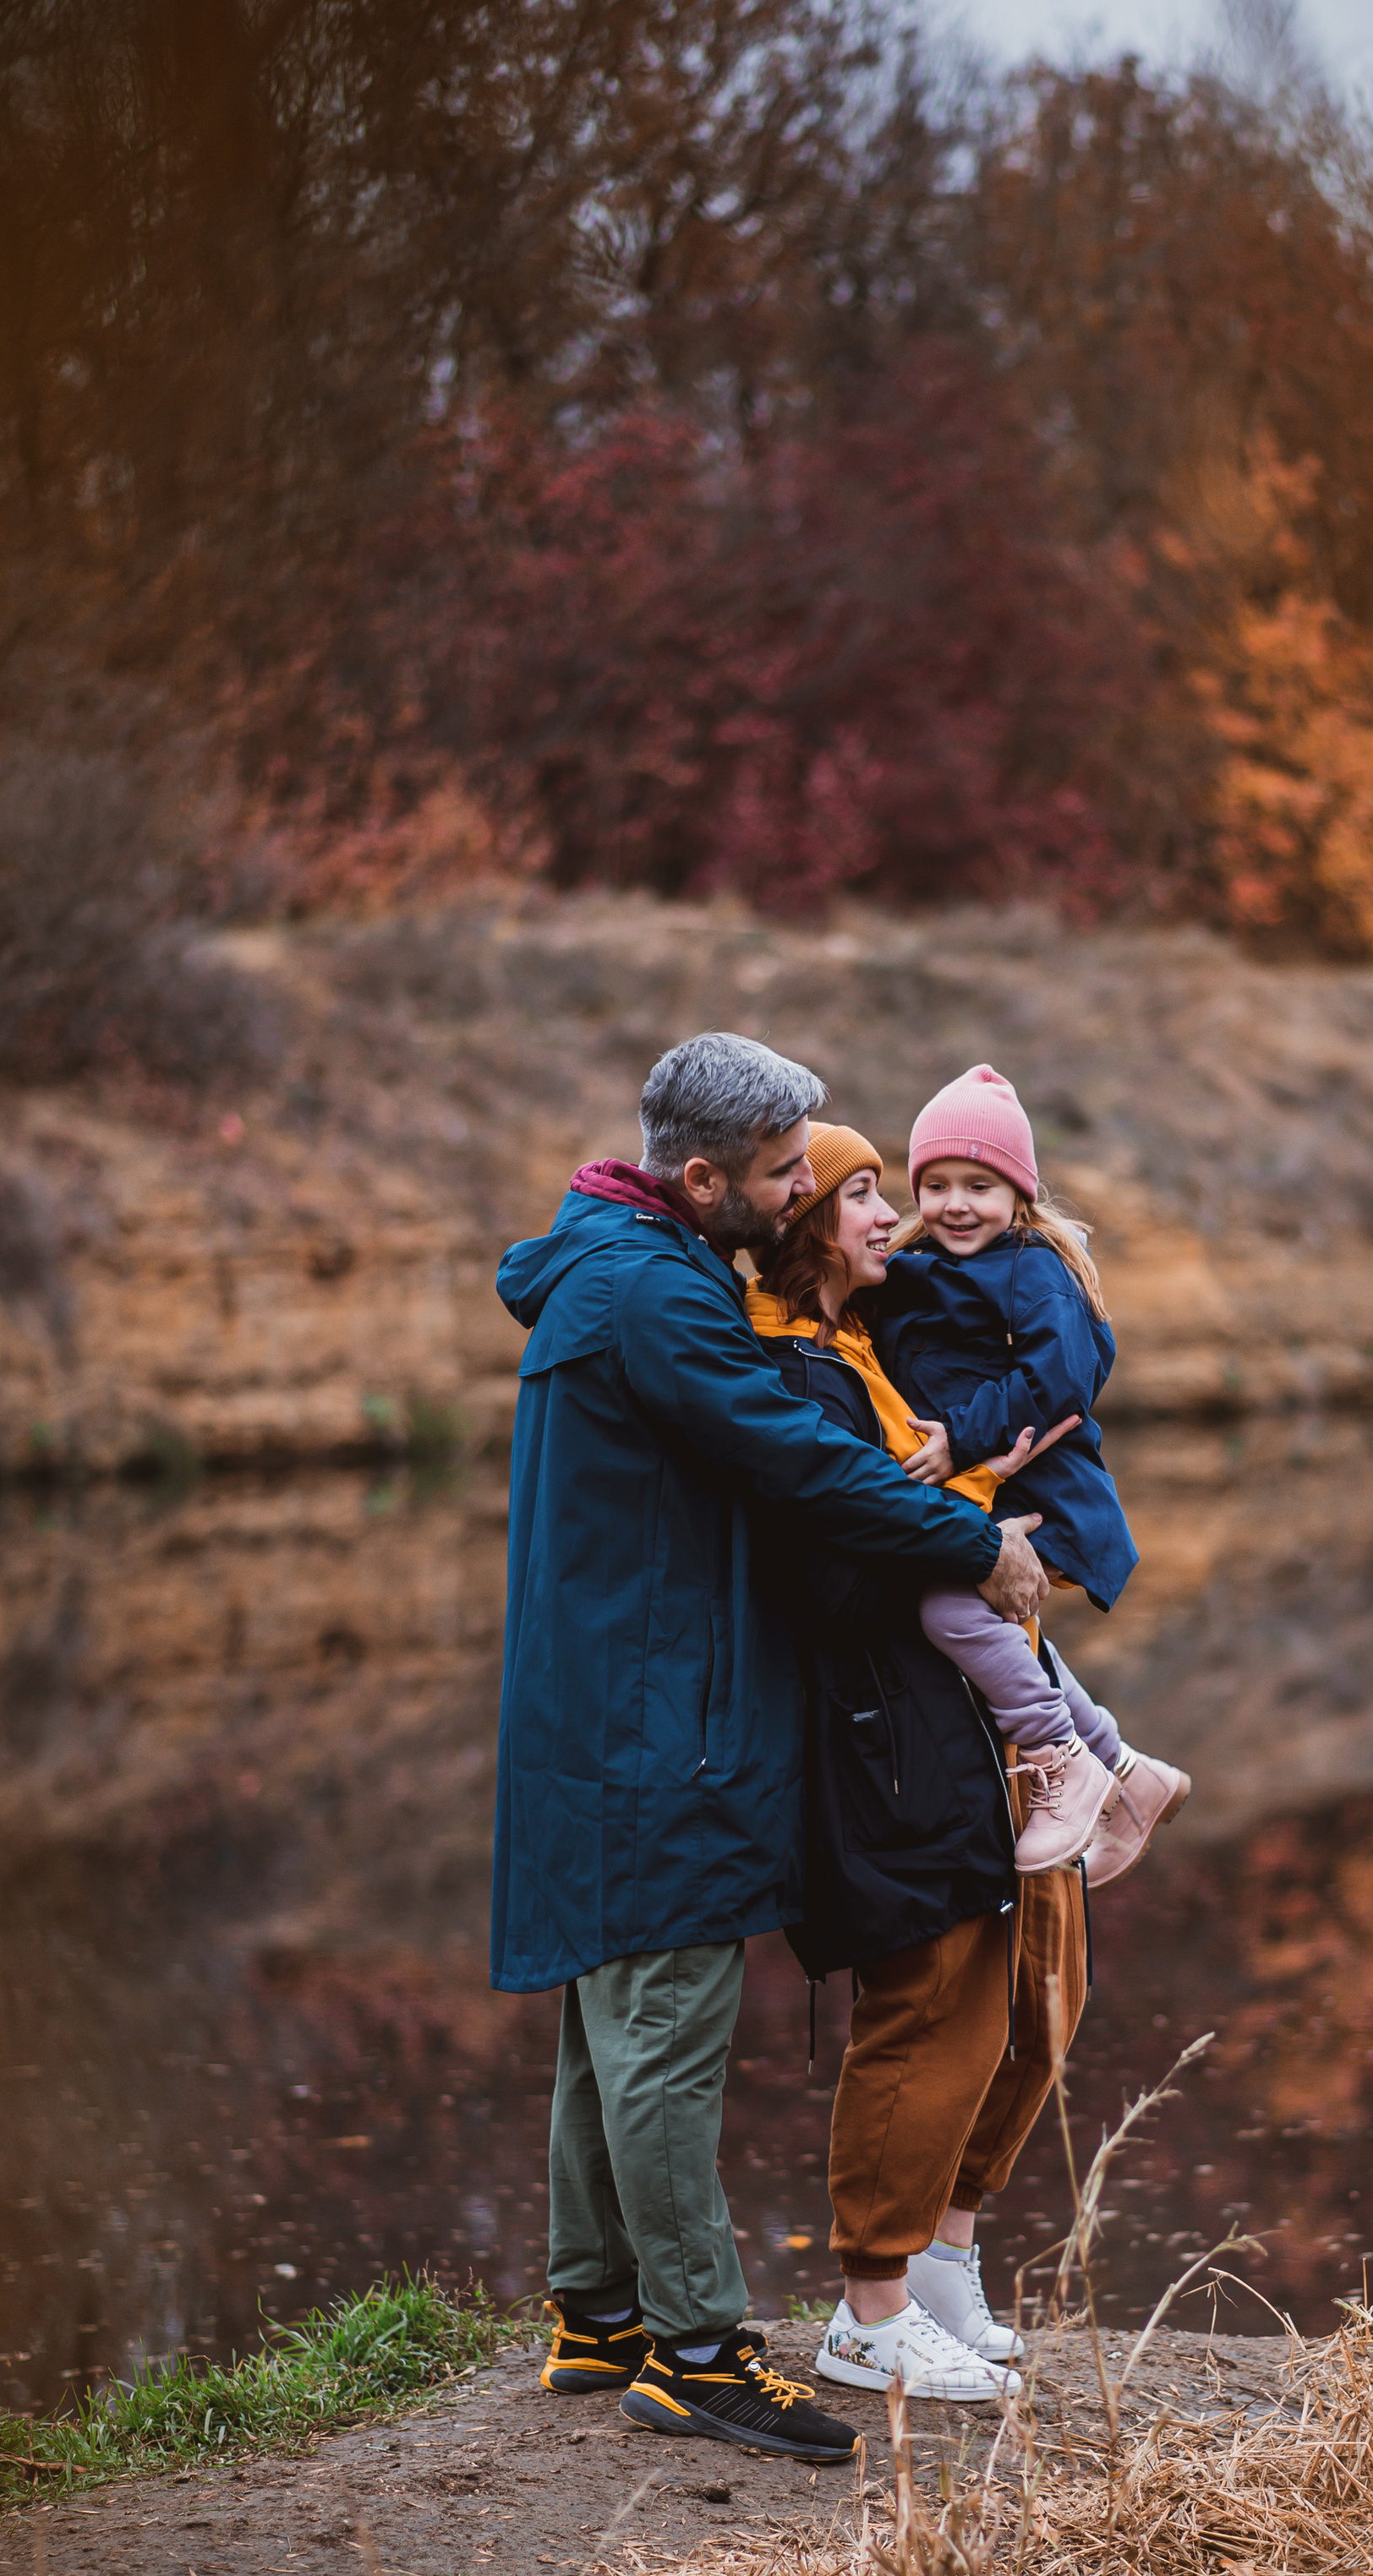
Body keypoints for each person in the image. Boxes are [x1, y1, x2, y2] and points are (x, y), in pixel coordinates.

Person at [491, 1036, 1048, 2463]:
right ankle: (694, 2349)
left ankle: (596, 2313)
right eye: (786, 1171)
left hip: (605, 1715)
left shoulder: (617, 1266)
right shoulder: (652, 1293)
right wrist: (969, 1537)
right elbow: (793, 1458)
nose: (810, 1190)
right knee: (667, 2032)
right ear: (701, 1178)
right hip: (653, 1723)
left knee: (605, 2021)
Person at [746, 1125, 1091, 2403]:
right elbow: (833, 1565)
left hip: (958, 1716)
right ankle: (869, 2307)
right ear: (801, 1226)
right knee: (926, 2001)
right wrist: (965, 1536)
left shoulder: (871, 1347)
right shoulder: (787, 1370)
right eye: (859, 1197)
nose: (890, 1214)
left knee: (1026, 1999)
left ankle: (940, 2258)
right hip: (882, 1733)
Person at [879, 1062, 1190, 1886]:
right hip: (988, 1489)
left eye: (978, 1184)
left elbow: (1063, 1378)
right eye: (936, 1183)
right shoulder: (915, 1265)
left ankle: (1061, 1758)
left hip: (1045, 1495)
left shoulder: (1034, 1267)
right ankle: (1127, 1773)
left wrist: (960, 1441)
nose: (954, 1204)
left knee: (948, 1608)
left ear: (1018, 1191)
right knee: (1002, 1635)